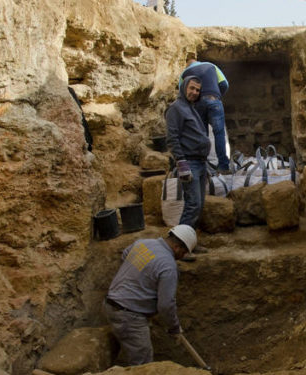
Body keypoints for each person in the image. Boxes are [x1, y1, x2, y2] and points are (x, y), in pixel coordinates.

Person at [104, 224, 197, 366]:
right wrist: (174, 328)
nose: (182, 257)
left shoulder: (143, 243)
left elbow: (125, 256)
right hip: (129, 316)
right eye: (184, 253)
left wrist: (139, 279)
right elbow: (166, 305)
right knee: (143, 364)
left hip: (110, 305)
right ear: (178, 248)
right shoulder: (168, 266)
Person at [166, 76, 210, 228]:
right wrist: (181, 162)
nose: (195, 92)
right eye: (192, 88)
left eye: (197, 90)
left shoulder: (191, 108)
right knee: (193, 205)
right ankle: (178, 243)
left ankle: (189, 241)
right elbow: (172, 138)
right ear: (184, 88)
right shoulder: (176, 108)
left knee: (199, 205)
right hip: (189, 163)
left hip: (200, 162)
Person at [179, 53, 230, 173]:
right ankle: (223, 167)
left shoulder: (184, 74)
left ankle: (203, 167)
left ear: (187, 64)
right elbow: (224, 84)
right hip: (214, 101)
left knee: (202, 135)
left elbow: (182, 94)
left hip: (197, 105)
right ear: (197, 60)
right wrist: (217, 96)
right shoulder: (211, 66)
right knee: (219, 134)